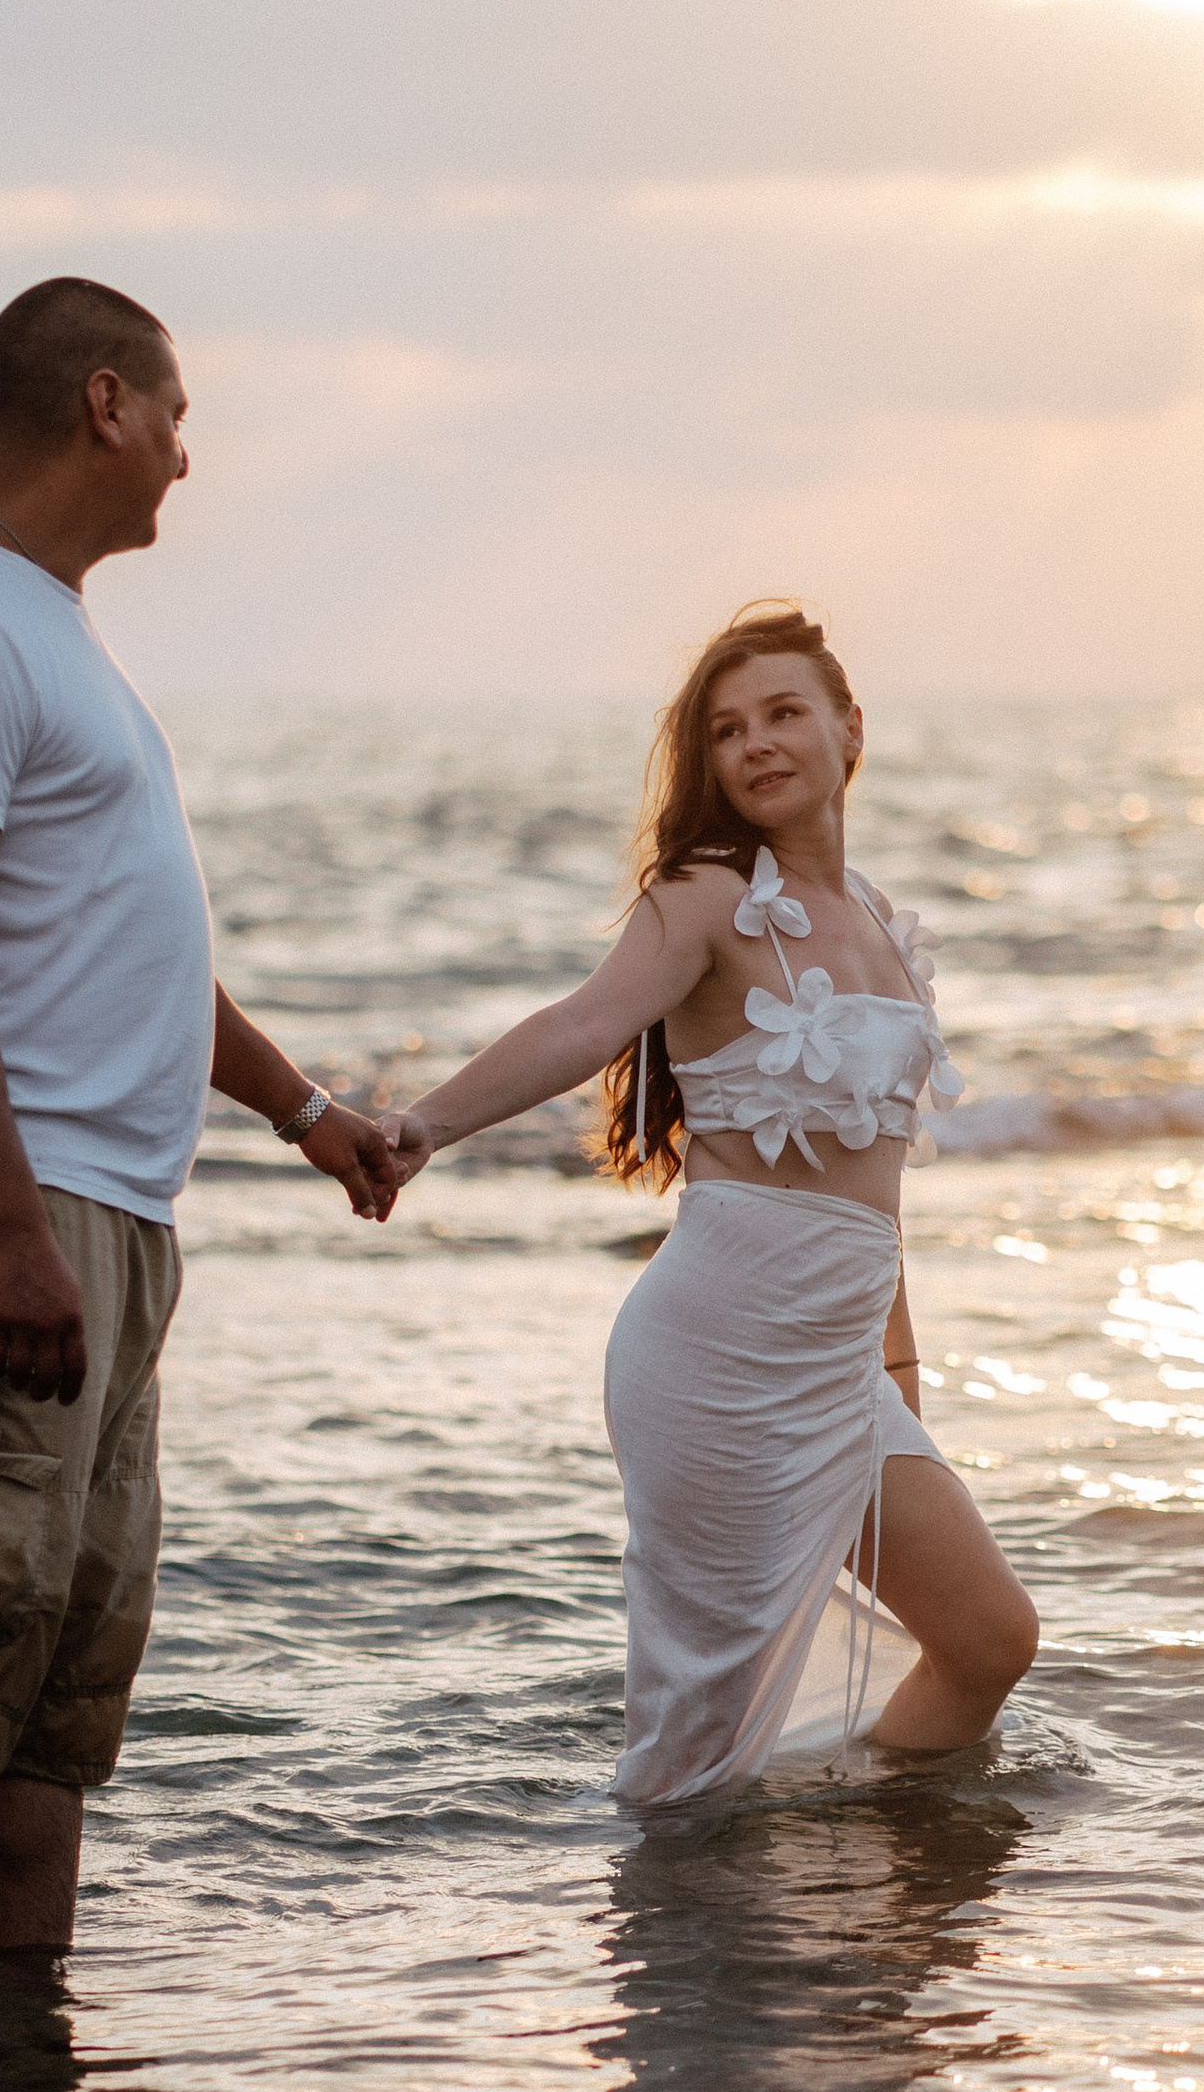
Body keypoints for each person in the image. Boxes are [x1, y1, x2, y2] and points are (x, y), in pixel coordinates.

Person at [0, 276, 398, 1977]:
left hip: (109, 1217)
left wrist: (308, 1113)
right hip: (8, 1215)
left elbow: (126, 957)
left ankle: (21, 2054)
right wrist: (17, 1229)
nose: (189, 456)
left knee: (51, 1696)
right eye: (177, 415)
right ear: (104, 403)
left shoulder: (45, 631)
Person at [384, 602, 1036, 1806]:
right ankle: (682, 1968)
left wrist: (898, 1376)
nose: (755, 744)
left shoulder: (887, 925)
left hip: (842, 1369)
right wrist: (422, 1124)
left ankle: (863, 1881)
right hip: (717, 1358)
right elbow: (584, 1023)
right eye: (725, 730)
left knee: (990, 1640)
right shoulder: (707, 897)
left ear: (849, 727)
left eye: (783, 713)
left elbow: (874, 1197)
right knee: (694, 1751)